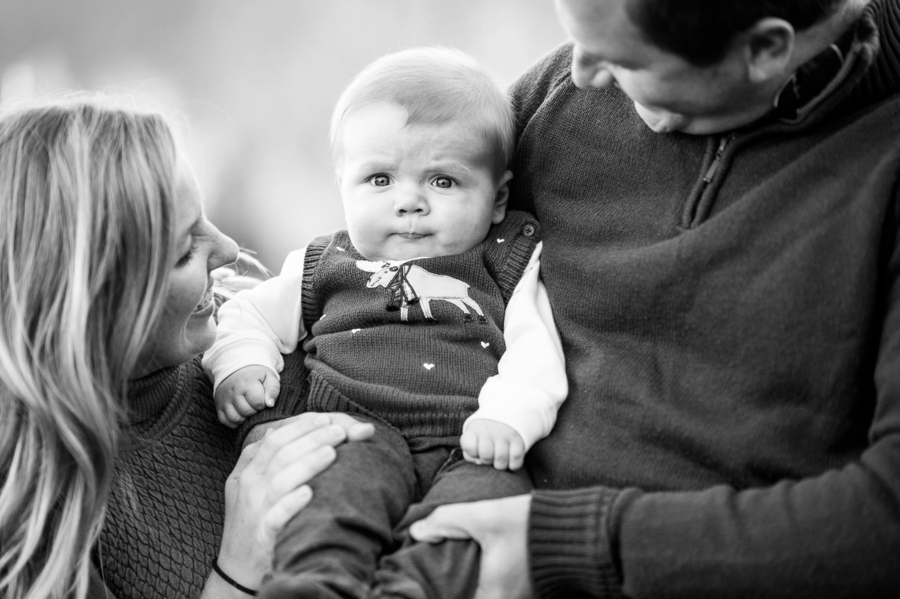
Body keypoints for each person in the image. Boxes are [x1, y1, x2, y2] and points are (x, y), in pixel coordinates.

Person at [410, 0, 900, 597]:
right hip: (456, 502)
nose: (582, 74)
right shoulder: (563, 92)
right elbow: (388, 266)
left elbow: (885, 513)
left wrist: (573, 544)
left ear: (765, 50)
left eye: (622, 59)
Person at [202, 48, 567, 599]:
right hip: (355, 429)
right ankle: (314, 586)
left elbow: (536, 351)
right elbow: (247, 311)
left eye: (443, 182)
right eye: (379, 179)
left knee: (481, 516)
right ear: (342, 184)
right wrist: (242, 362)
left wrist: (511, 419)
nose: (409, 203)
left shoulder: (506, 262)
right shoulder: (323, 264)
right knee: (329, 505)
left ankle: (412, 590)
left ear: (497, 199)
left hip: (471, 442)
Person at [0, 95, 375, 599]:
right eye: (183, 252)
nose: (225, 250)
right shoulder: (31, 518)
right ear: (90, 302)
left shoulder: (258, 334)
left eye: (205, 218)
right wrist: (240, 566)